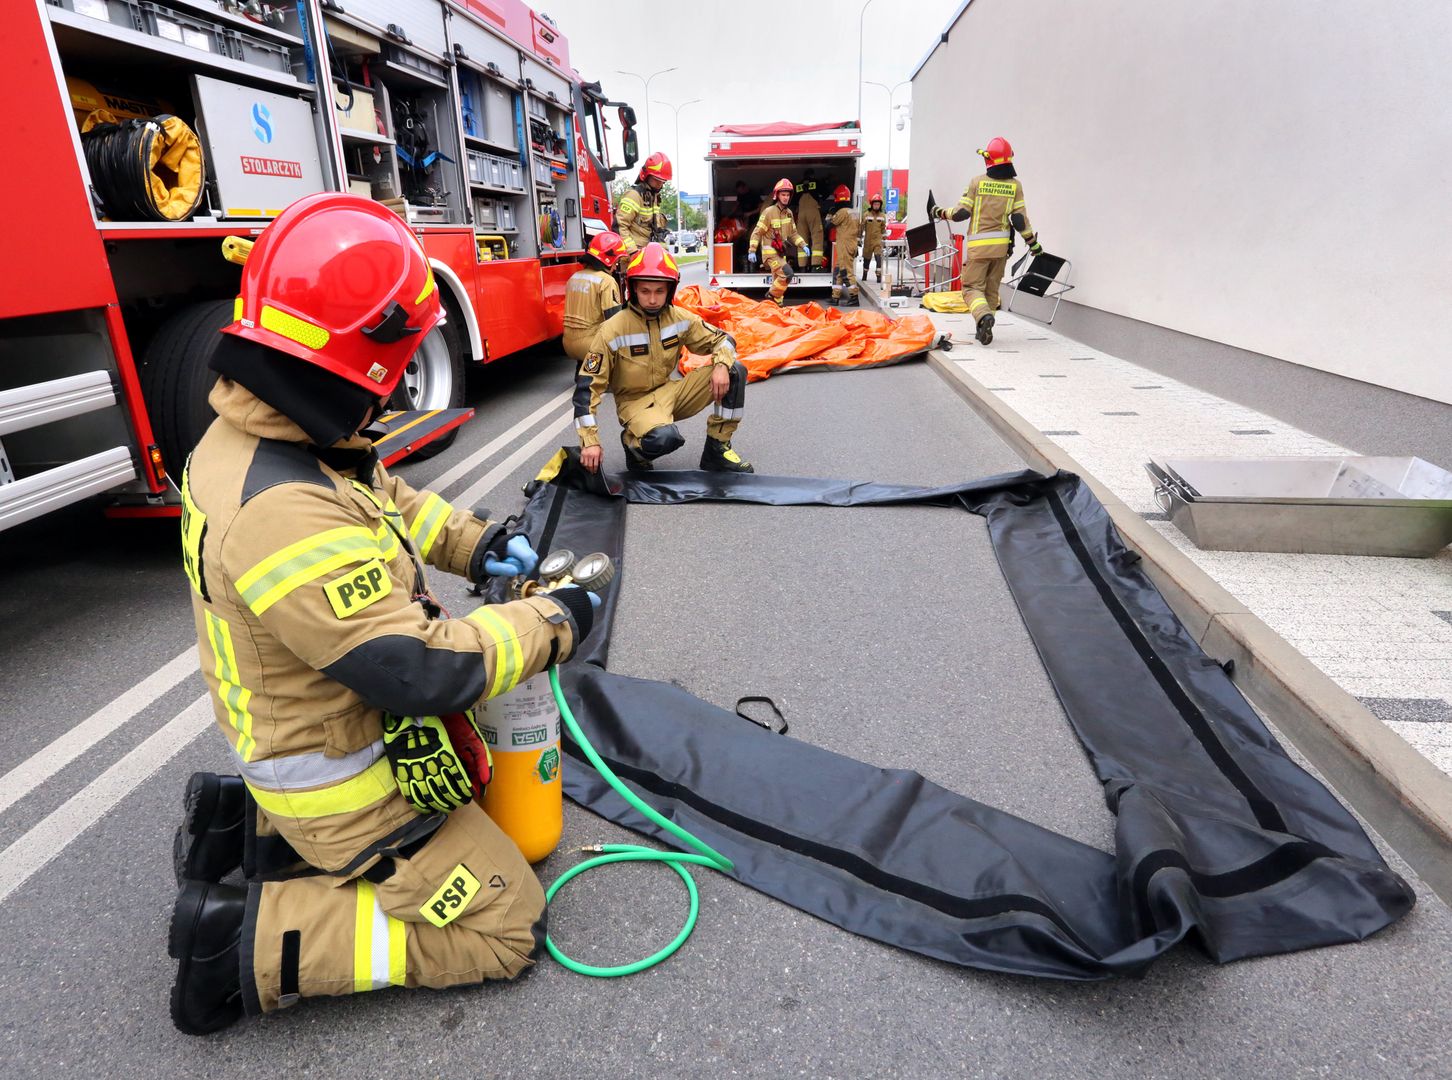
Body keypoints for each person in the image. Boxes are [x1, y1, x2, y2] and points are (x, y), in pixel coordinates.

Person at [167, 192, 599, 1035]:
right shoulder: (281, 508)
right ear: (362, 356)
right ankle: (239, 945)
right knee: (509, 924)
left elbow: (385, 501)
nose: (400, 380)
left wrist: (478, 546)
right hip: (342, 781)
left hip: (291, 734)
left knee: (472, 792)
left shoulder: (263, 440)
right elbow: (422, 669)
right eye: (396, 361)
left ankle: (240, 826)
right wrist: (554, 621)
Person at [575, 242, 752, 474]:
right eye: (645, 291)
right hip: (635, 403)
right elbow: (587, 388)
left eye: (659, 291)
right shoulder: (612, 329)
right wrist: (590, 442)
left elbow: (724, 339)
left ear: (670, 290)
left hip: (670, 392)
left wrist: (720, 365)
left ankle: (717, 449)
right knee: (665, 439)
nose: (652, 299)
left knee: (734, 370)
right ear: (633, 289)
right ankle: (632, 444)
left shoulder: (678, 317)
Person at [933, 136, 1040, 345]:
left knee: (971, 288)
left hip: (978, 250)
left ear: (989, 160)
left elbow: (961, 213)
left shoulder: (977, 182)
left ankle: (983, 317)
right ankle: (983, 326)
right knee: (991, 290)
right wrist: (1033, 244)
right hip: (1001, 251)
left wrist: (939, 212)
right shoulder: (1015, 186)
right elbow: (1019, 219)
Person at [748, 178, 812, 307]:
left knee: (778, 281)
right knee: (788, 274)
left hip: (780, 254)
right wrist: (752, 250)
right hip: (770, 254)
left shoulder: (789, 214)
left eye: (788, 195)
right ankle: (771, 294)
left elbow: (793, 234)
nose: (785, 198)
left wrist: (803, 245)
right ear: (777, 195)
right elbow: (757, 232)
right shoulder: (769, 212)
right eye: (783, 194)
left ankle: (776, 305)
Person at [563, 231, 625, 361]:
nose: (615, 266)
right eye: (616, 261)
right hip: (591, 346)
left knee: (584, 371)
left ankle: (581, 375)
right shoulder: (606, 281)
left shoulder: (574, 277)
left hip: (568, 344)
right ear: (609, 258)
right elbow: (615, 320)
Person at [613, 151, 672, 254]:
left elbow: (655, 231)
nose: (660, 184)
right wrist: (633, 252)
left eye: (663, 181)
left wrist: (664, 253)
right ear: (646, 176)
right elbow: (619, 226)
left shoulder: (654, 198)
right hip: (634, 257)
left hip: (649, 256)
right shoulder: (634, 196)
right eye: (657, 179)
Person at [825, 184, 862, 306]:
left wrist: (830, 214)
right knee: (838, 271)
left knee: (846, 271)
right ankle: (835, 297)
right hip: (852, 244)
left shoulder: (842, 212)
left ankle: (854, 297)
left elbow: (828, 225)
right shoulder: (854, 212)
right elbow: (859, 230)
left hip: (844, 246)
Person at [794, 169, 824, 270]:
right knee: (817, 237)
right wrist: (820, 199)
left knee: (801, 239)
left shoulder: (798, 185)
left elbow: (793, 199)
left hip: (801, 213)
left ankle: (802, 266)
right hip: (813, 212)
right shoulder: (816, 182)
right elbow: (826, 192)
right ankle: (815, 265)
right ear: (812, 175)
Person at [860, 192, 889, 285]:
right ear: (872, 204)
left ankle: (879, 276)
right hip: (868, 241)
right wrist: (858, 239)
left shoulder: (882, 216)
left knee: (878, 258)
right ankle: (864, 275)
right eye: (875, 204)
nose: (876, 206)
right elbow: (861, 227)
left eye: (878, 204)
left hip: (877, 241)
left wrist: (884, 240)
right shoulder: (866, 214)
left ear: (880, 205)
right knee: (866, 259)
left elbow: (883, 228)